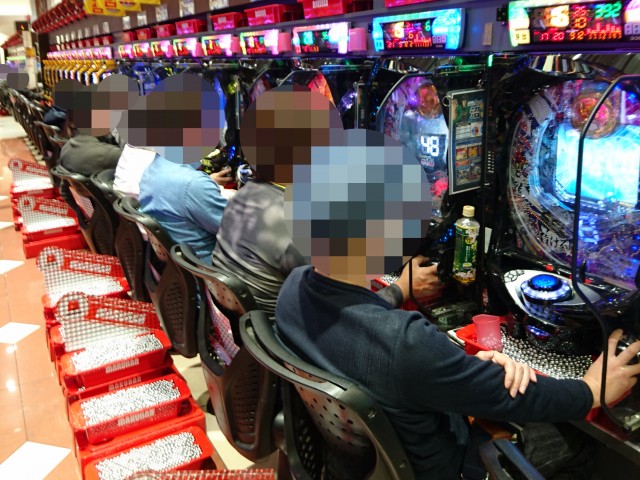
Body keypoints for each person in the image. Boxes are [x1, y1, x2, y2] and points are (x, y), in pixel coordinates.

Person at [275, 128, 640, 479]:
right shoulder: (406, 343)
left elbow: (369, 333)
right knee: (573, 443)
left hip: (357, 465)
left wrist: (462, 368)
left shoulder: (292, 290)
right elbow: (517, 398)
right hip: (447, 467)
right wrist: (589, 390)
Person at [212, 89, 420, 317]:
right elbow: (354, 317)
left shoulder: (246, 192)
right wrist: (403, 288)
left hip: (250, 331)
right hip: (290, 335)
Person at [138, 154, 233, 262]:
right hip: (209, 267)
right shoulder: (194, 183)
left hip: (175, 265)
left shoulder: (152, 168)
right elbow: (235, 230)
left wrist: (206, 184)